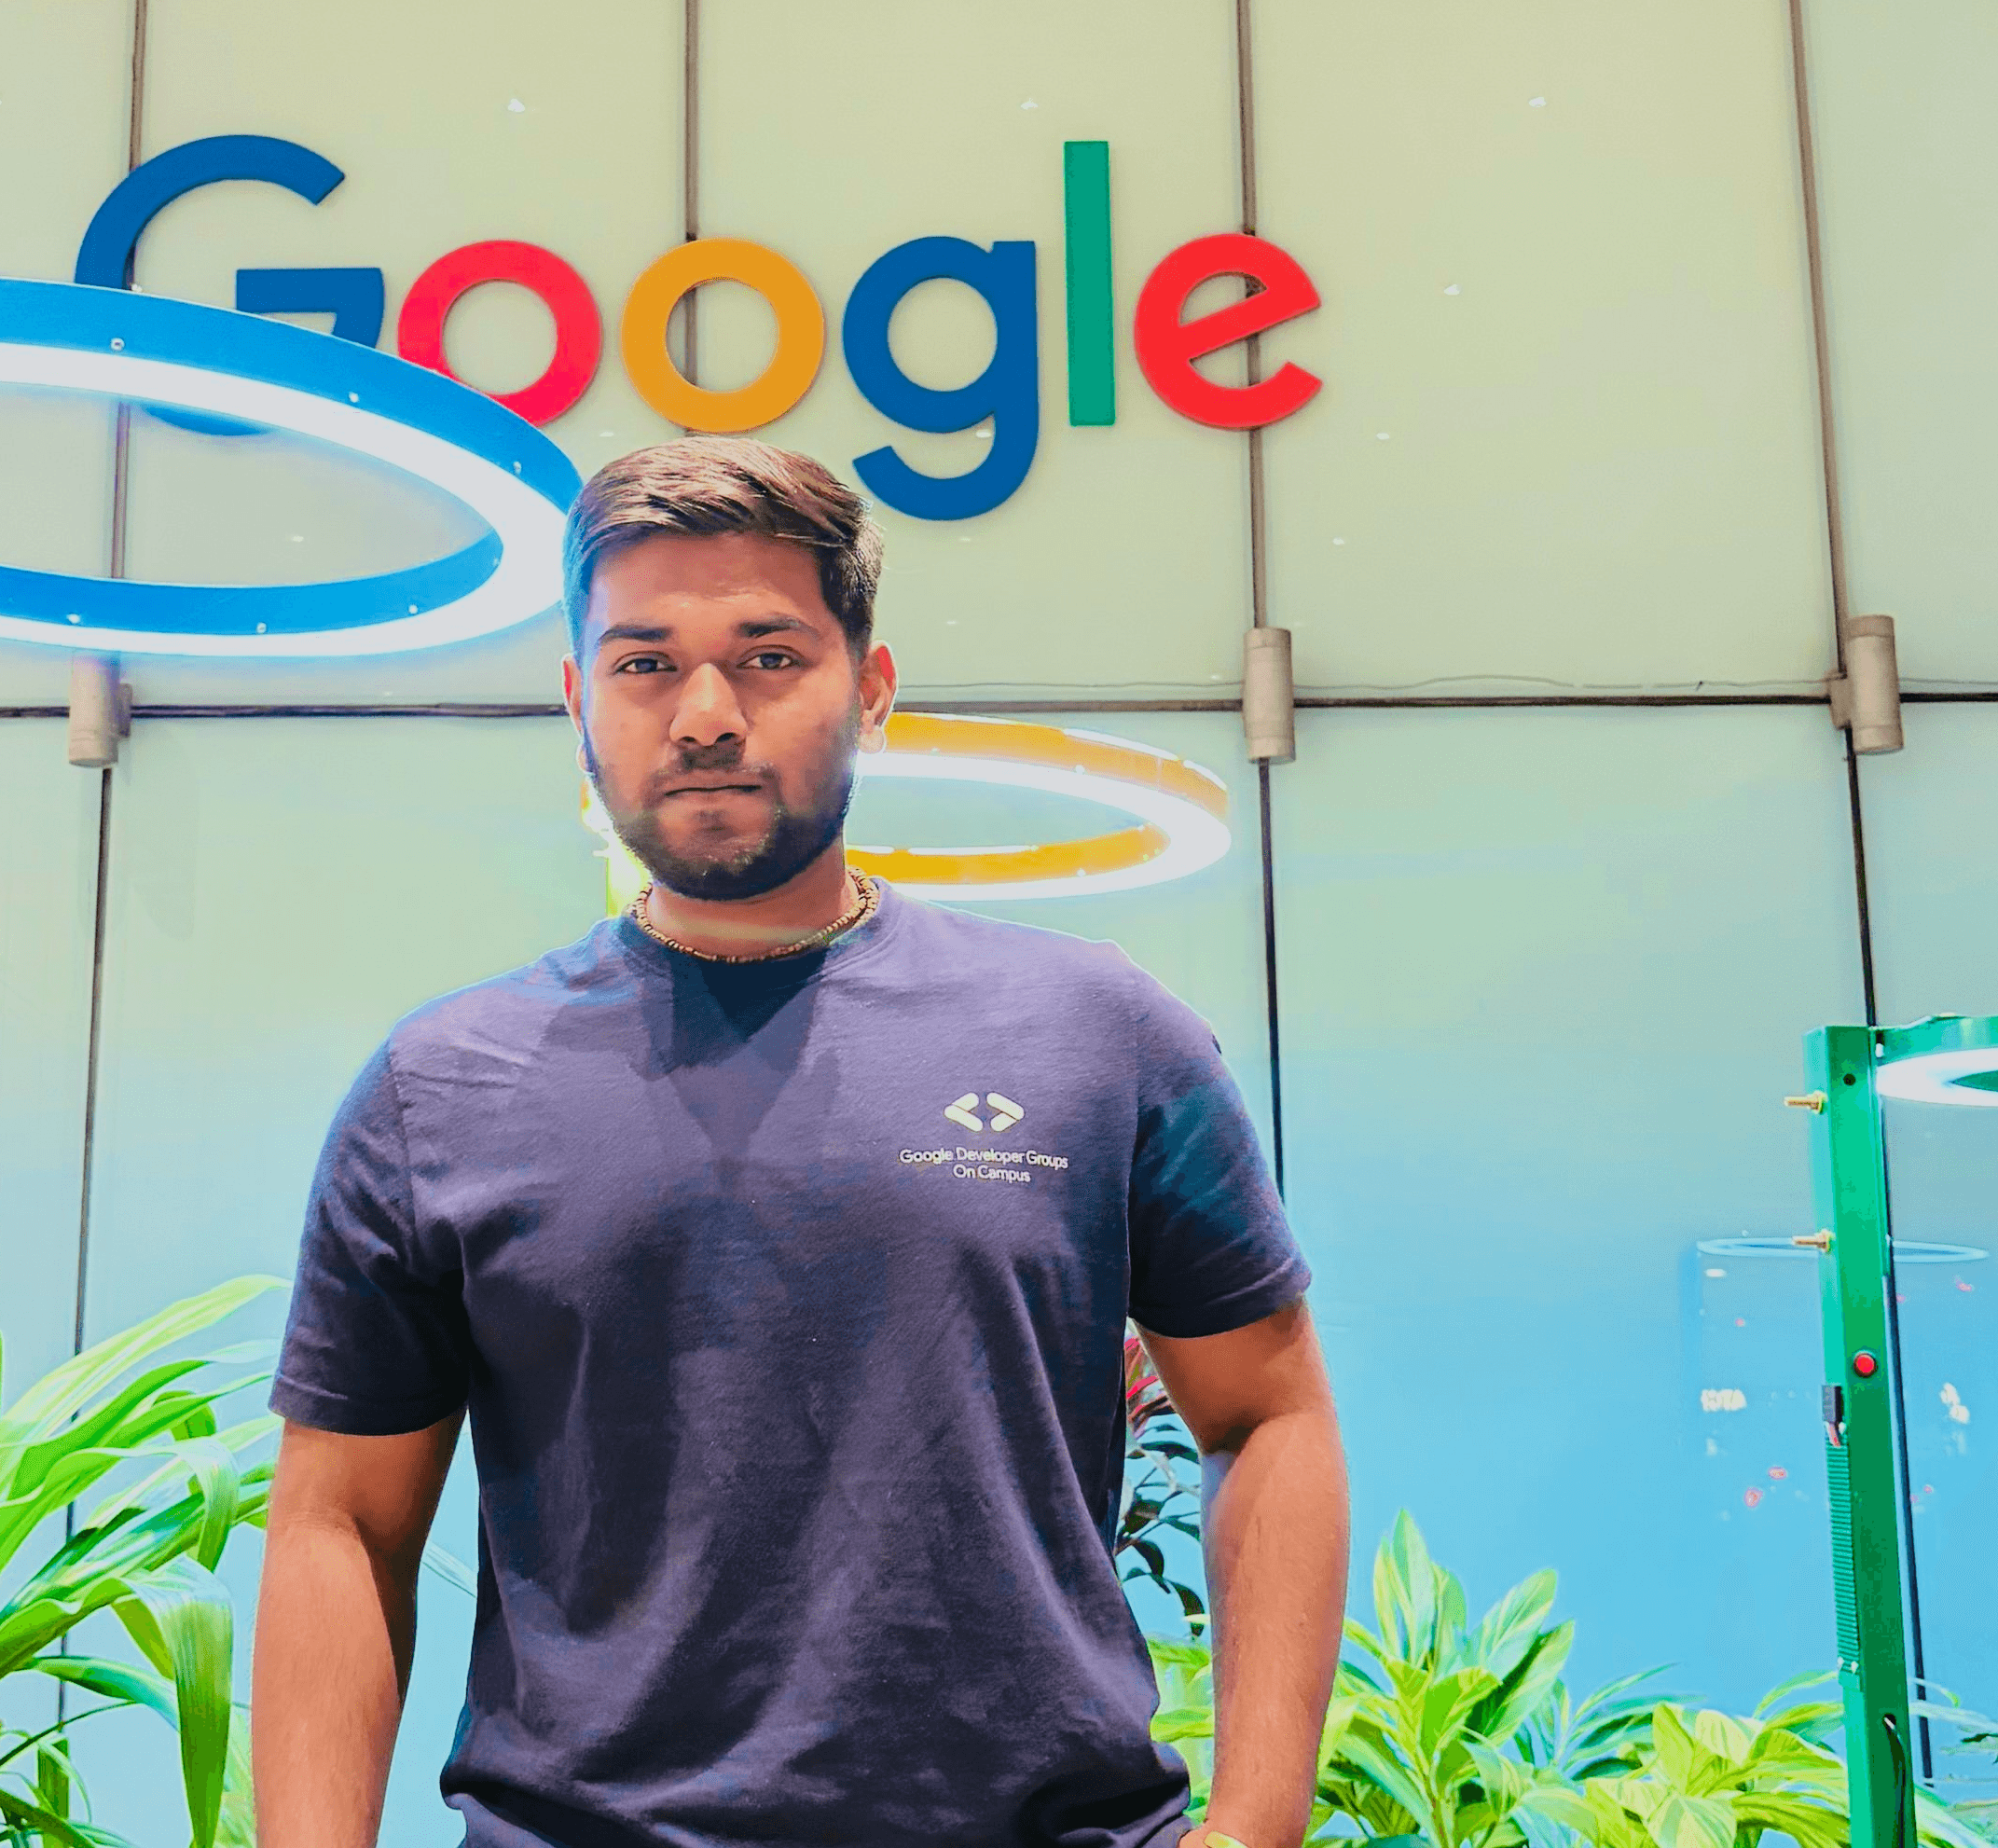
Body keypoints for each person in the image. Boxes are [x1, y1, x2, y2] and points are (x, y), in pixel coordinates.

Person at [253, 437, 1349, 1848]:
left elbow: (1270, 1417)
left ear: (871, 689)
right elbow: (341, 1523)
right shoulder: (443, 1087)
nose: (705, 713)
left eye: (768, 656)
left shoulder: (1096, 1034)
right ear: (580, 703)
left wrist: (1257, 1826)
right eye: (645, 665)